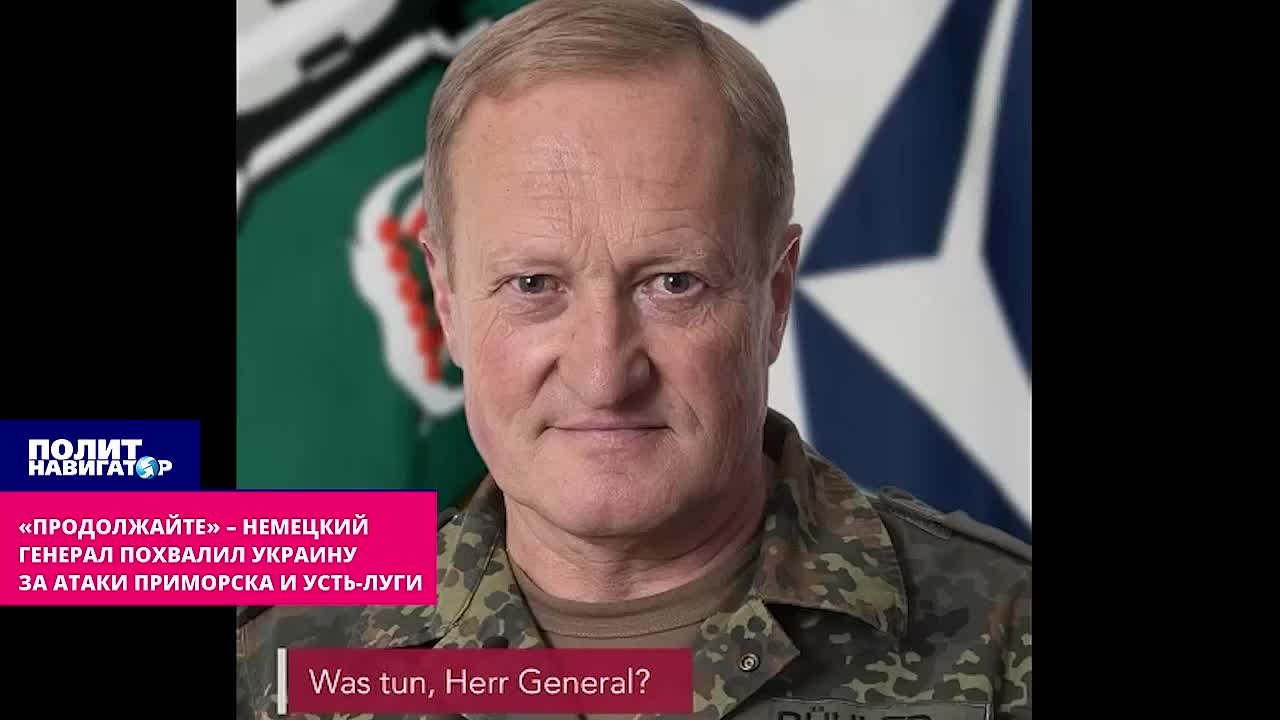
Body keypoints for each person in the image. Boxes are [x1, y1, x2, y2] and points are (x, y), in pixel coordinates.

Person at [236, 0, 1032, 718]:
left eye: (673, 283)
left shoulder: (1008, 641)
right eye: (533, 285)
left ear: (775, 296)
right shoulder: (279, 667)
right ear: (446, 303)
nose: (604, 376)